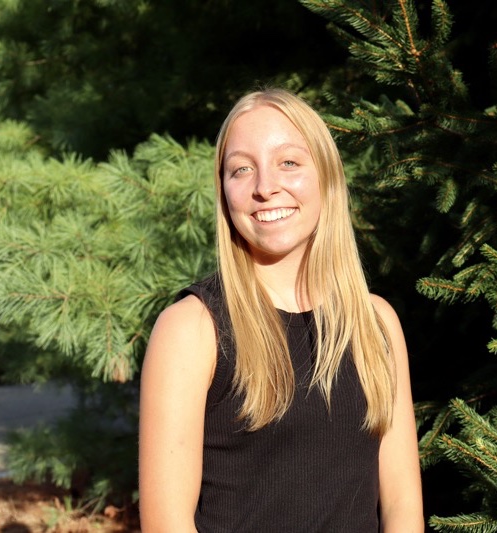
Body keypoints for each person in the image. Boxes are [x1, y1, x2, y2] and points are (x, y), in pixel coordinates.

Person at [139, 87, 424, 532]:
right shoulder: (193, 328)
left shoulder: (376, 324)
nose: (265, 187)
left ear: (326, 177)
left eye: (288, 162)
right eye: (241, 169)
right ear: (223, 191)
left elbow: (404, 507)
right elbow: (166, 523)